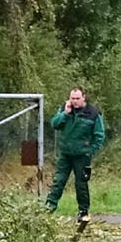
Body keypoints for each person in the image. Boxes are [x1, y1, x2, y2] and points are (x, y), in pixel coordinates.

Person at [45, 87, 106, 221]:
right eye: (72, 98)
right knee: (58, 181)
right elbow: (54, 124)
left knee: (81, 183)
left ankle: (83, 211)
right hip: (66, 153)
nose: (75, 101)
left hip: (82, 155)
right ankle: (49, 207)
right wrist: (65, 113)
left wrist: (90, 151)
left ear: (83, 97)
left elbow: (99, 136)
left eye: (77, 98)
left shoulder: (93, 113)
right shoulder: (65, 109)